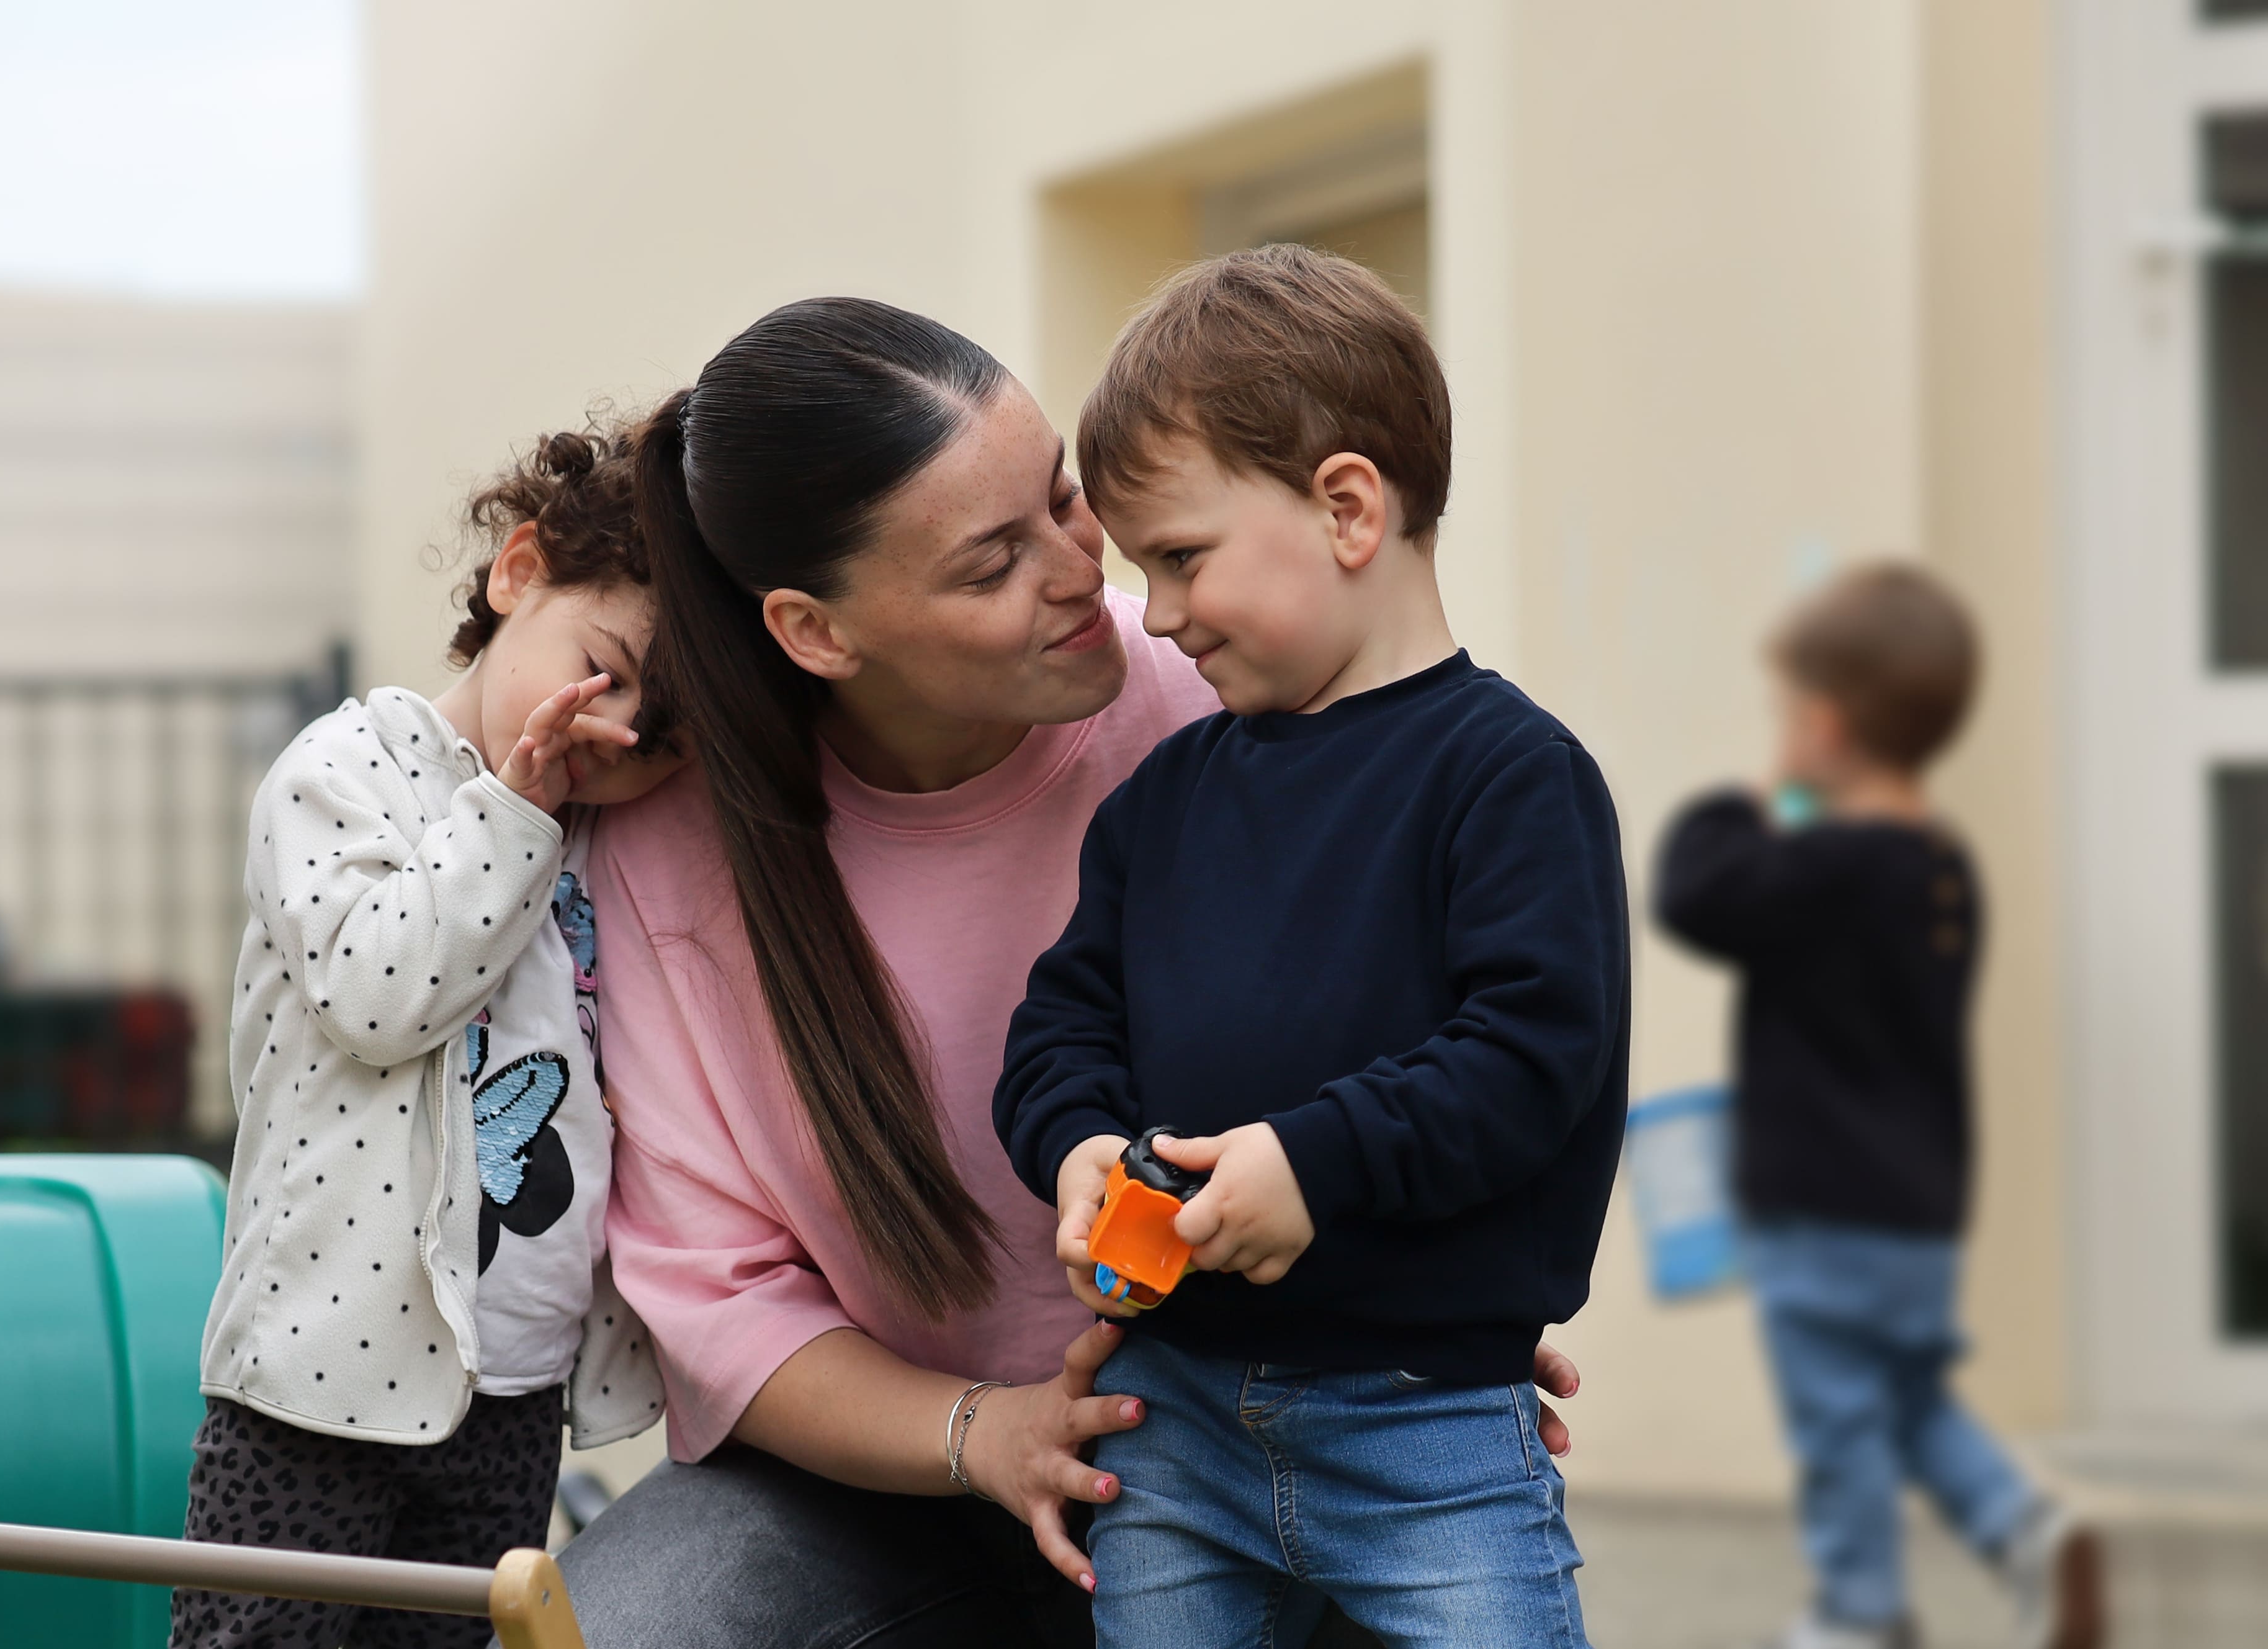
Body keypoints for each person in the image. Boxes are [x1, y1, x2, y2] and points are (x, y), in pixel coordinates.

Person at [552, 295, 1585, 1649]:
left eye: (1063, 501)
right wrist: (983, 1434)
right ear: (816, 632)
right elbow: (721, 1301)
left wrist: (1427, 1316)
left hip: (1237, 1409)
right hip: (884, 1475)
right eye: (989, 565)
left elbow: (1484, 1040)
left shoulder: (1234, 698)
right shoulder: (667, 849)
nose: (1094, 584)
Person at [991, 246, 1628, 1648]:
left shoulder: (1510, 775)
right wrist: (1079, 1147)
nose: (1153, 616)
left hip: (1433, 1440)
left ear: (1347, 508)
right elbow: (1059, 1031)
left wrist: (1313, 1165)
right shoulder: (1162, 801)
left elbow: (1533, 1056)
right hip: (1170, 1425)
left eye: (1180, 558)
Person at [176, 425, 689, 1649]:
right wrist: (515, 809)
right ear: (518, 573)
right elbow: (381, 990)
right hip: (319, 1371)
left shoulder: (602, 834)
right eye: (602, 671)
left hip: (509, 1380)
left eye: (664, 736)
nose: (616, 733)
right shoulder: (345, 769)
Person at [1654, 564, 2101, 1649]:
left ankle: (1859, 1614)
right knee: (1904, 1401)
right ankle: (2024, 1524)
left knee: (1838, 1422)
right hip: (1916, 1215)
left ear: (1822, 725)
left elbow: (1693, 887)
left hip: (1822, 1211)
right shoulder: (1939, 868)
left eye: (1782, 718)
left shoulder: (1827, 869)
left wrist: (1751, 796)